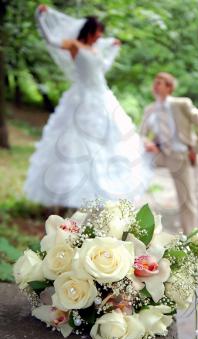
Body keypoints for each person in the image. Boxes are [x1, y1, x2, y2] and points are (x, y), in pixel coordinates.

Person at [24, 5, 152, 208]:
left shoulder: (97, 49)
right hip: (81, 97)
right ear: (89, 31)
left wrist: (114, 49)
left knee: (109, 140)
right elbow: (50, 40)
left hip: (102, 96)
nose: (98, 38)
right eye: (96, 34)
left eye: (101, 35)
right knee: (76, 142)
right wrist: (40, 18)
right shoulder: (75, 45)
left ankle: (106, 192)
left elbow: (103, 68)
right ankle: (69, 195)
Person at [140, 72, 198, 234]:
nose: (155, 86)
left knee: (186, 198)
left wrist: (196, 149)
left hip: (180, 156)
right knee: (131, 169)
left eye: (160, 83)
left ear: (169, 87)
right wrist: (148, 143)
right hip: (159, 155)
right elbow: (142, 134)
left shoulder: (182, 104)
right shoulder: (150, 109)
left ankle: (190, 235)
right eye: (155, 82)